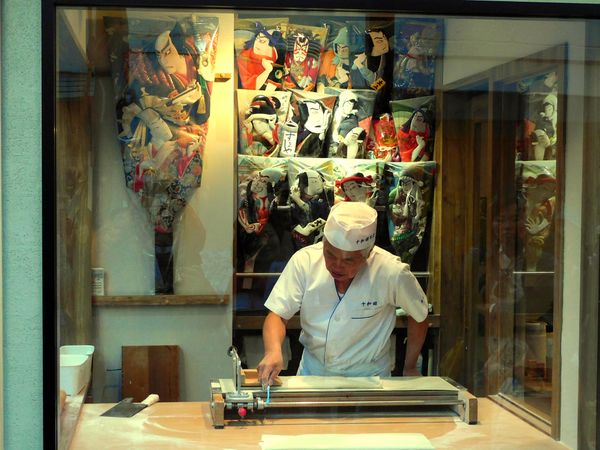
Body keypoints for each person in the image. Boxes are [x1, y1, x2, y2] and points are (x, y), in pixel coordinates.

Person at [257, 201, 429, 385]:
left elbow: (419, 314)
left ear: (368, 255)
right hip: (313, 375)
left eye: (348, 260)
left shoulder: (391, 271)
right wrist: (273, 351)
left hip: (369, 378)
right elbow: (277, 314)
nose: (337, 265)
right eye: (330, 254)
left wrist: (410, 365)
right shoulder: (304, 261)